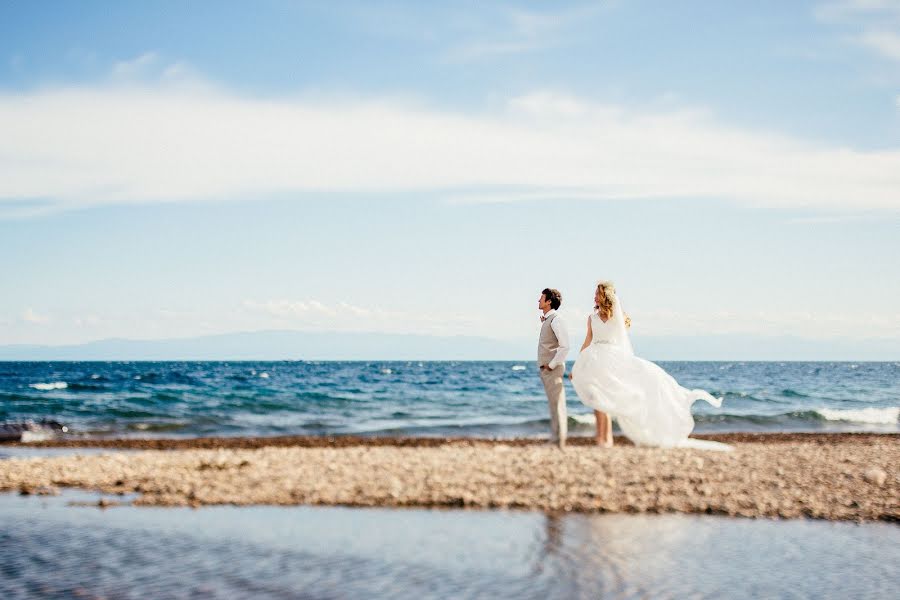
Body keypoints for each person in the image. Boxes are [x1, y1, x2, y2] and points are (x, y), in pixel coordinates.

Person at [570, 281, 729, 450]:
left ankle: (606, 440)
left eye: (597, 293)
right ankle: (601, 438)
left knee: (604, 400)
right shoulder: (591, 318)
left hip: (611, 361)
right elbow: (587, 341)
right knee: (596, 400)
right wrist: (578, 365)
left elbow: (622, 341)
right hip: (595, 359)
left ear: (604, 296)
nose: (594, 296)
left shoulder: (618, 318)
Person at [537, 288, 570, 449]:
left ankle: (559, 442)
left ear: (549, 301)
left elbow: (565, 347)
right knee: (554, 405)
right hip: (547, 370)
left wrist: (550, 366)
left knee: (557, 405)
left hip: (552, 370)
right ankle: (556, 439)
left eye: (541, 298)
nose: (538, 300)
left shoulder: (556, 320)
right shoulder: (549, 320)